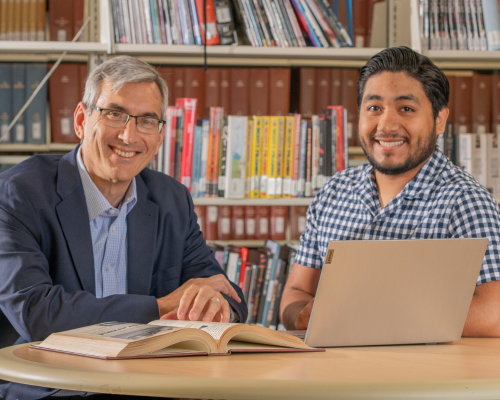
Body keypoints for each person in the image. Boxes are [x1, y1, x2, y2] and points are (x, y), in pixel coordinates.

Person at [0, 56, 246, 400]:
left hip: (148, 384)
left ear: (159, 136)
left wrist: (214, 301)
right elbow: (36, 312)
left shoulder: (171, 200)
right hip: (54, 385)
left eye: (146, 121)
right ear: (82, 120)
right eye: (114, 114)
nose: (129, 135)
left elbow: (226, 292)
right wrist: (161, 306)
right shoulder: (19, 193)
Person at [280, 46, 500, 336]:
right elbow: (296, 291)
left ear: (439, 120)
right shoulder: (333, 192)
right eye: (374, 108)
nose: (386, 125)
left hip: (418, 378)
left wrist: (370, 314)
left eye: (406, 109)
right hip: (331, 373)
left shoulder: (466, 202)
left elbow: (493, 313)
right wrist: (302, 315)